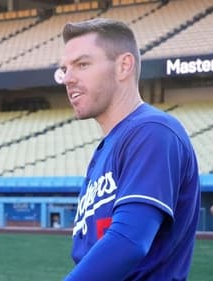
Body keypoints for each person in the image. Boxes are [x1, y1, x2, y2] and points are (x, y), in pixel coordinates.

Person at [59, 18, 200, 280]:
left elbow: (129, 241)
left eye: (82, 64)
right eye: (64, 69)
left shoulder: (153, 131)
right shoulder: (108, 148)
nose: (67, 78)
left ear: (124, 66)